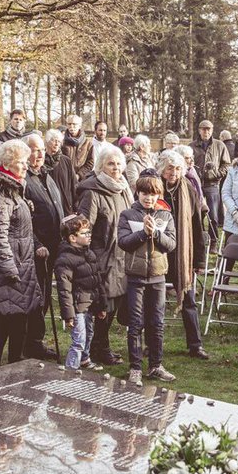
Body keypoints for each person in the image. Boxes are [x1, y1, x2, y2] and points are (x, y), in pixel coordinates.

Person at [0, 139, 41, 369]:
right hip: (9, 267)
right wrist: (9, 269)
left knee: (18, 317)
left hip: (21, 264)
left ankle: (15, 363)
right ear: (8, 164)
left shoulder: (13, 190)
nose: (26, 166)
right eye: (22, 162)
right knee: (5, 317)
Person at [117, 175, 177, 386]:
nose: (148, 198)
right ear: (138, 193)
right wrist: (143, 233)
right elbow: (123, 241)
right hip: (136, 277)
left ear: (158, 195)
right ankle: (135, 367)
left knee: (157, 322)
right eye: (145, 194)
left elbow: (171, 244)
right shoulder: (127, 214)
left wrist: (156, 235)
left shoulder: (166, 215)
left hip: (158, 276)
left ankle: (156, 365)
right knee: (135, 323)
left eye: (153, 194)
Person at [76, 142, 132, 366]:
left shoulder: (124, 188)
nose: (116, 167)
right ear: (101, 167)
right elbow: (83, 227)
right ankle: (97, 348)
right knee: (103, 306)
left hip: (122, 256)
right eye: (110, 164)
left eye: (119, 163)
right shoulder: (92, 191)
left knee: (115, 303)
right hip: (101, 257)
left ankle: (100, 346)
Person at [157, 150, 210, 359]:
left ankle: (195, 345)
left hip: (183, 254)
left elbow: (197, 225)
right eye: (170, 168)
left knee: (189, 300)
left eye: (178, 168)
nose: (174, 173)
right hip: (159, 253)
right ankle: (152, 343)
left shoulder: (188, 188)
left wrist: (199, 259)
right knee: (154, 302)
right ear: (162, 168)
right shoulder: (154, 187)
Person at [23, 133, 65, 360]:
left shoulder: (46, 176)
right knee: (36, 296)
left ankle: (35, 340)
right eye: (33, 149)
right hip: (36, 250)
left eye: (41, 150)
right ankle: (31, 342)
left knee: (46, 294)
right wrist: (37, 243)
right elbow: (25, 220)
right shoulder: (24, 180)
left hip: (54, 246)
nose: (39, 154)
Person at [55, 215, 106, 371]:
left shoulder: (89, 254)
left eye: (89, 232)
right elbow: (64, 290)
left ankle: (84, 359)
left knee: (89, 334)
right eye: (84, 233)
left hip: (89, 304)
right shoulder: (65, 259)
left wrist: (101, 305)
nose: (89, 236)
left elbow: (98, 281)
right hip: (77, 307)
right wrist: (68, 315)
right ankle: (71, 368)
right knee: (79, 339)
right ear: (72, 238)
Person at [192, 119, 230, 239]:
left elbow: (226, 164)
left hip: (212, 185)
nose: (206, 132)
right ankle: (200, 238)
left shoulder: (219, 145)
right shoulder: (192, 146)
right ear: (199, 130)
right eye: (204, 129)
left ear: (212, 130)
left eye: (208, 129)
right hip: (196, 184)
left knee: (213, 215)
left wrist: (217, 174)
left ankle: (213, 240)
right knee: (198, 214)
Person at [44, 128, 77, 214]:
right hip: (49, 207)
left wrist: (76, 205)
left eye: (59, 141)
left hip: (66, 205)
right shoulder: (41, 161)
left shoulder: (66, 160)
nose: (56, 143)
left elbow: (74, 184)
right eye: (53, 140)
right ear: (47, 141)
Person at [61, 114, 94, 182]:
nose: (71, 126)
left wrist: (79, 175)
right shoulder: (61, 142)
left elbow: (90, 163)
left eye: (74, 124)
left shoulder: (88, 144)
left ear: (79, 125)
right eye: (69, 124)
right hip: (64, 178)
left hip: (80, 180)